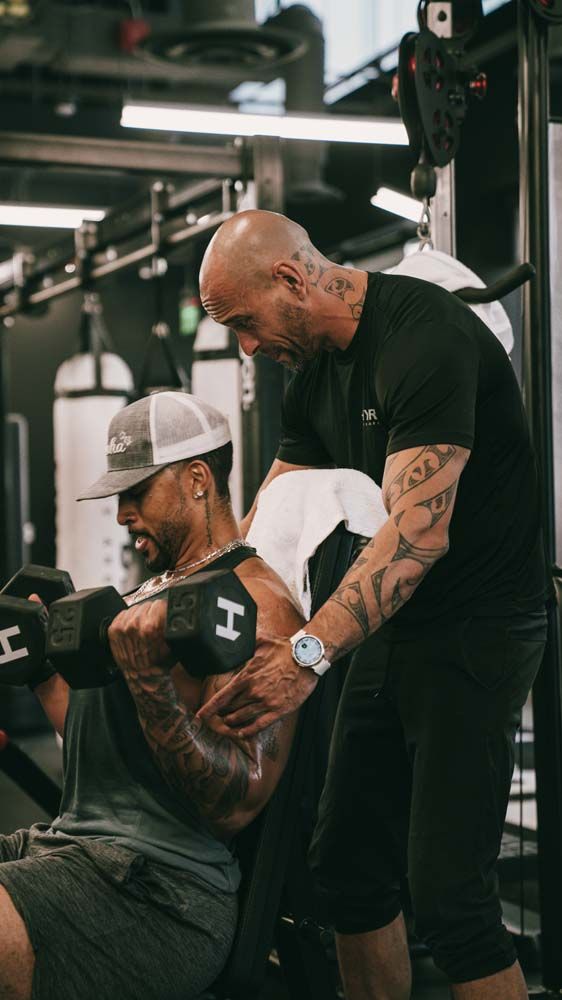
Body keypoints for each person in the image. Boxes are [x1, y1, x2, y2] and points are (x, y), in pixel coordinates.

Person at [197, 210, 551, 1000]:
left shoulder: (426, 338)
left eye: (244, 325)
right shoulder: (315, 372)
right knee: (347, 868)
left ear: (290, 280)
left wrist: (308, 658)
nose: (245, 348)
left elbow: (417, 541)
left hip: (480, 626)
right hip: (396, 624)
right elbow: (268, 514)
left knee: (450, 896)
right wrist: (193, 603)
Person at [0, 390, 302, 1000]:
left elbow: (237, 803)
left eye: (136, 493)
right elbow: (109, 755)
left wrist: (149, 681)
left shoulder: (254, 606)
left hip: (162, 895)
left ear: (196, 479)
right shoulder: (151, 592)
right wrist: (41, 672)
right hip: (67, 850)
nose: (121, 514)